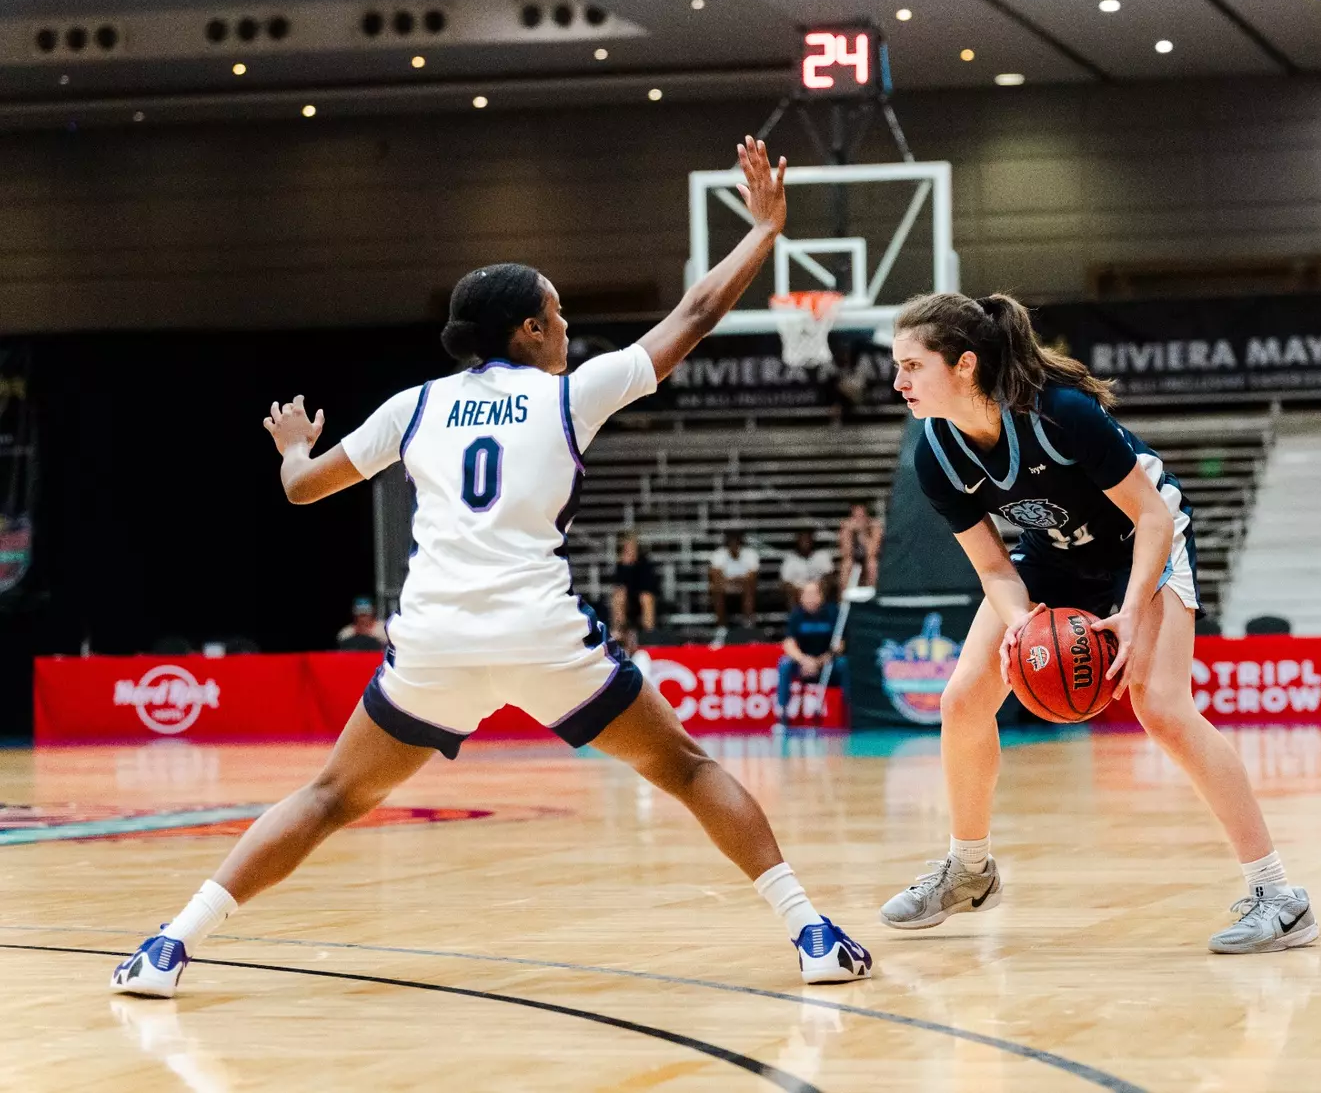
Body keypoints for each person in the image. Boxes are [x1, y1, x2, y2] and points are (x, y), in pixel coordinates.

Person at [110, 138, 871, 999]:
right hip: (542, 634)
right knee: (689, 769)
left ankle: (170, 947)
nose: (568, 327)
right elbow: (694, 315)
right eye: (558, 313)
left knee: (327, 796)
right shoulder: (570, 392)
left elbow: (303, 490)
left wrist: (291, 449)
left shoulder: (416, 405)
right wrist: (764, 231)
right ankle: (809, 932)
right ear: (530, 329)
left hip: (434, 640)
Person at [880, 291, 1314, 954]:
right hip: (1053, 555)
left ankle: (1278, 895)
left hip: (1142, 542)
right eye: (897, 366)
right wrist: (1023, 626)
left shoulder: (1061, 416)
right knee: (963, 698)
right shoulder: (935, 455)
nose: (898, 381)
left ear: (963, 365)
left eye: (912, 365)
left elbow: (1153, 518)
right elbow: (996, 571)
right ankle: (970, 871)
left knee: (1161, 705)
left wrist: (1133, 611)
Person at [775, 580, 847, 728]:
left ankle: (850, 712)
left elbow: (840, 645)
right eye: (807, 594)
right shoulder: (797, 615)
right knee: (785, 664)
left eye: (814, 594)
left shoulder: (833, 613)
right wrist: (804, 660)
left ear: (821, 596)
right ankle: (782, 714)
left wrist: (819, 661)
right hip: (803, 664)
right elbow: (788, 644)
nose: (811, 598)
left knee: (844, 664)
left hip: (827, 663)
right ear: (801, 597)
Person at [609, 532, 659, 646]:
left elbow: (648, 588)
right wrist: (625, 567)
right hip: (628, 601)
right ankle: (619, 633)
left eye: (632, 547)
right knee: (619, 597)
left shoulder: (645, 564)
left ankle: (649, 636)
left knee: (646, 599)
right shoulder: (620, 566)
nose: (630, 550)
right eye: (627, 547)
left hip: (643, 599)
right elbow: (619, 586)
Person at [707, 528, 759, 631]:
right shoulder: (718, 554)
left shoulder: (751, 554)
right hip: (725, 589)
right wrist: (738, 579)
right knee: (716, 590)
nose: (734, 543)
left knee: (749, 588)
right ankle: (721, 629)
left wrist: (730, 580)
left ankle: (748, 626)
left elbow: (752, 577)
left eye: (736, 540)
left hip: (744, 588)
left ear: (741, 541)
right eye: (731, 540)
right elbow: (716, 578)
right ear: (727, 541)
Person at [779, 529, 834, 608]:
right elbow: (785, 581)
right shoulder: (790, 559)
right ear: (797, 541)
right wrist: (801, 591)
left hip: (818, 590)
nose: (805, 542)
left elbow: (829, 575)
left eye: (807, 539)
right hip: (797, 591)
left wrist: (815, 590)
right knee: (790, 591)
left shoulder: (822, 555)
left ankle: (821, 613)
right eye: (802, 539)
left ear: (812, 540)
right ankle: (796, 615)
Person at [837, 504, 882, 591]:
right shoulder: (846, 529)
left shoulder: (874, 528)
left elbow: (872, 552)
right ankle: (843, 600)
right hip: (853, 560)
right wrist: (848, 533)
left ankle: (873, 596)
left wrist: (863, 533)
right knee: (846, 564)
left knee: (872, 564)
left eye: (861, 516)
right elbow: (846, 553)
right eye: (856, 516)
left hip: (868, 559)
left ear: (867, 517)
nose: (859, 520)